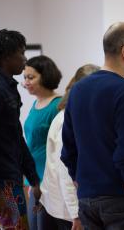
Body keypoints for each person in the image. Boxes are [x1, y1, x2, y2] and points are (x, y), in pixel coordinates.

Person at [61, 22, 124, 230]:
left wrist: (85, 187)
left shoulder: (77, 90)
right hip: (118, 202)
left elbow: (68, 152)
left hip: (86, 203)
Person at [0, 29, 41, 229]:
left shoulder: (6, 88)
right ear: (6, 56)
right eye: (21, 53)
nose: (24, 59)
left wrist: (33, 179)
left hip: (9, 181)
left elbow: (16, 137)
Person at [40, 64, 100, 230]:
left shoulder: (79, 114)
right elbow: (64, 171)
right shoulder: (66, 119)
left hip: (70, 205)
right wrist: (76, 215)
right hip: (66, 212)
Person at [23, 55, 62, 230]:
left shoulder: (58, 105)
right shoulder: (35, 103)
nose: (26, 82)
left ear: (45, 76)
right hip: (33, 179)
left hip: (50, 182)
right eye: (25, 77)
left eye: (31, 77)